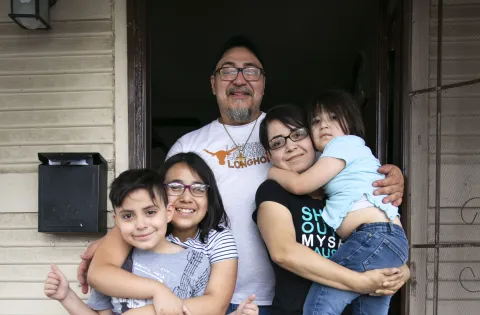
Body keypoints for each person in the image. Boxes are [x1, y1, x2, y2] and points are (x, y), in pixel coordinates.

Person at [78, 35, 405, 315]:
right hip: (204, 297)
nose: (239, 79)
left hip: (285, 297)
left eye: (250, 71)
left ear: (263, 83)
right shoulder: (187, 146)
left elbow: (353, 176)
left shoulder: (296, 141)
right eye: (227, 71)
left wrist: (393, 176)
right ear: (213, 83)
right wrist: (112, 242)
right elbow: (152, 204)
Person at [254, 103, 410, 315]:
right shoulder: (273, 191)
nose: (290, 146)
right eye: (277, 142)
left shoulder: (343, 188)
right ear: (268, 155)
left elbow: (376, 240)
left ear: (314, 139)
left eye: (298, 134)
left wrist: (399, 271)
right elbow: (284, 252)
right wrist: (361, 282)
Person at [45, 167, 258, 315]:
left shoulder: (197, 263)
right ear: (116, 221)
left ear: (168, 212)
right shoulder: (118, 267)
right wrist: (67, 297)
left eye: (149, 212)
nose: (140, 224)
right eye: (128, 216)